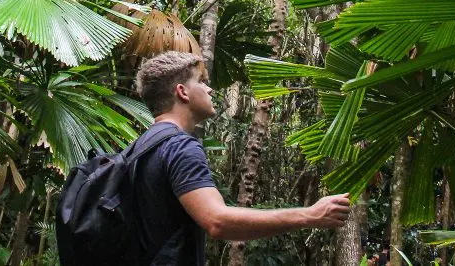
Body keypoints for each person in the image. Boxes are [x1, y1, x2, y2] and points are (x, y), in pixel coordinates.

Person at [132, 51, 352, 265]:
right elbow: (217, 221)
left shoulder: (139, 148)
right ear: (182, 92)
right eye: (201, 81)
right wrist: (310, 215)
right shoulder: (180, 147)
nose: (209, 89)